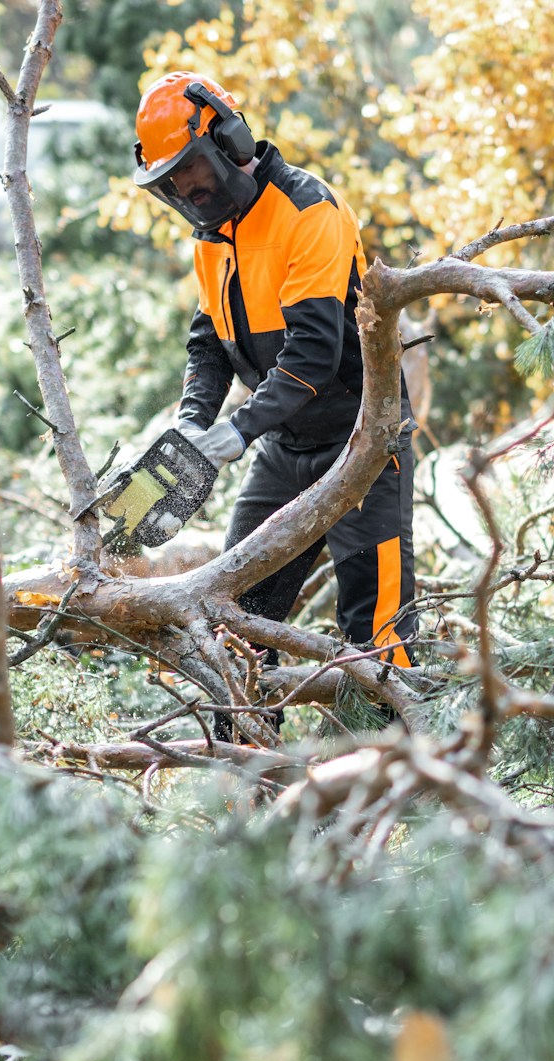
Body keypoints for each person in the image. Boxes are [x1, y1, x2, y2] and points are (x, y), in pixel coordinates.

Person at [130, 71, 417, 702]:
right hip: (284, 448)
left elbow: (313, 353)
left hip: (362, 441)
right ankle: (247, 780)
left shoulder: (306, 211)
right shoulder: (213, 236)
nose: (187, 188)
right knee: (235, 622)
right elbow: (210, 341)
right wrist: (192, 421)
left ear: (229, 139)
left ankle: (398, 788)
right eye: (172, 180)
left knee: (380, 638)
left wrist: (235, 431)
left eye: (192, 169)